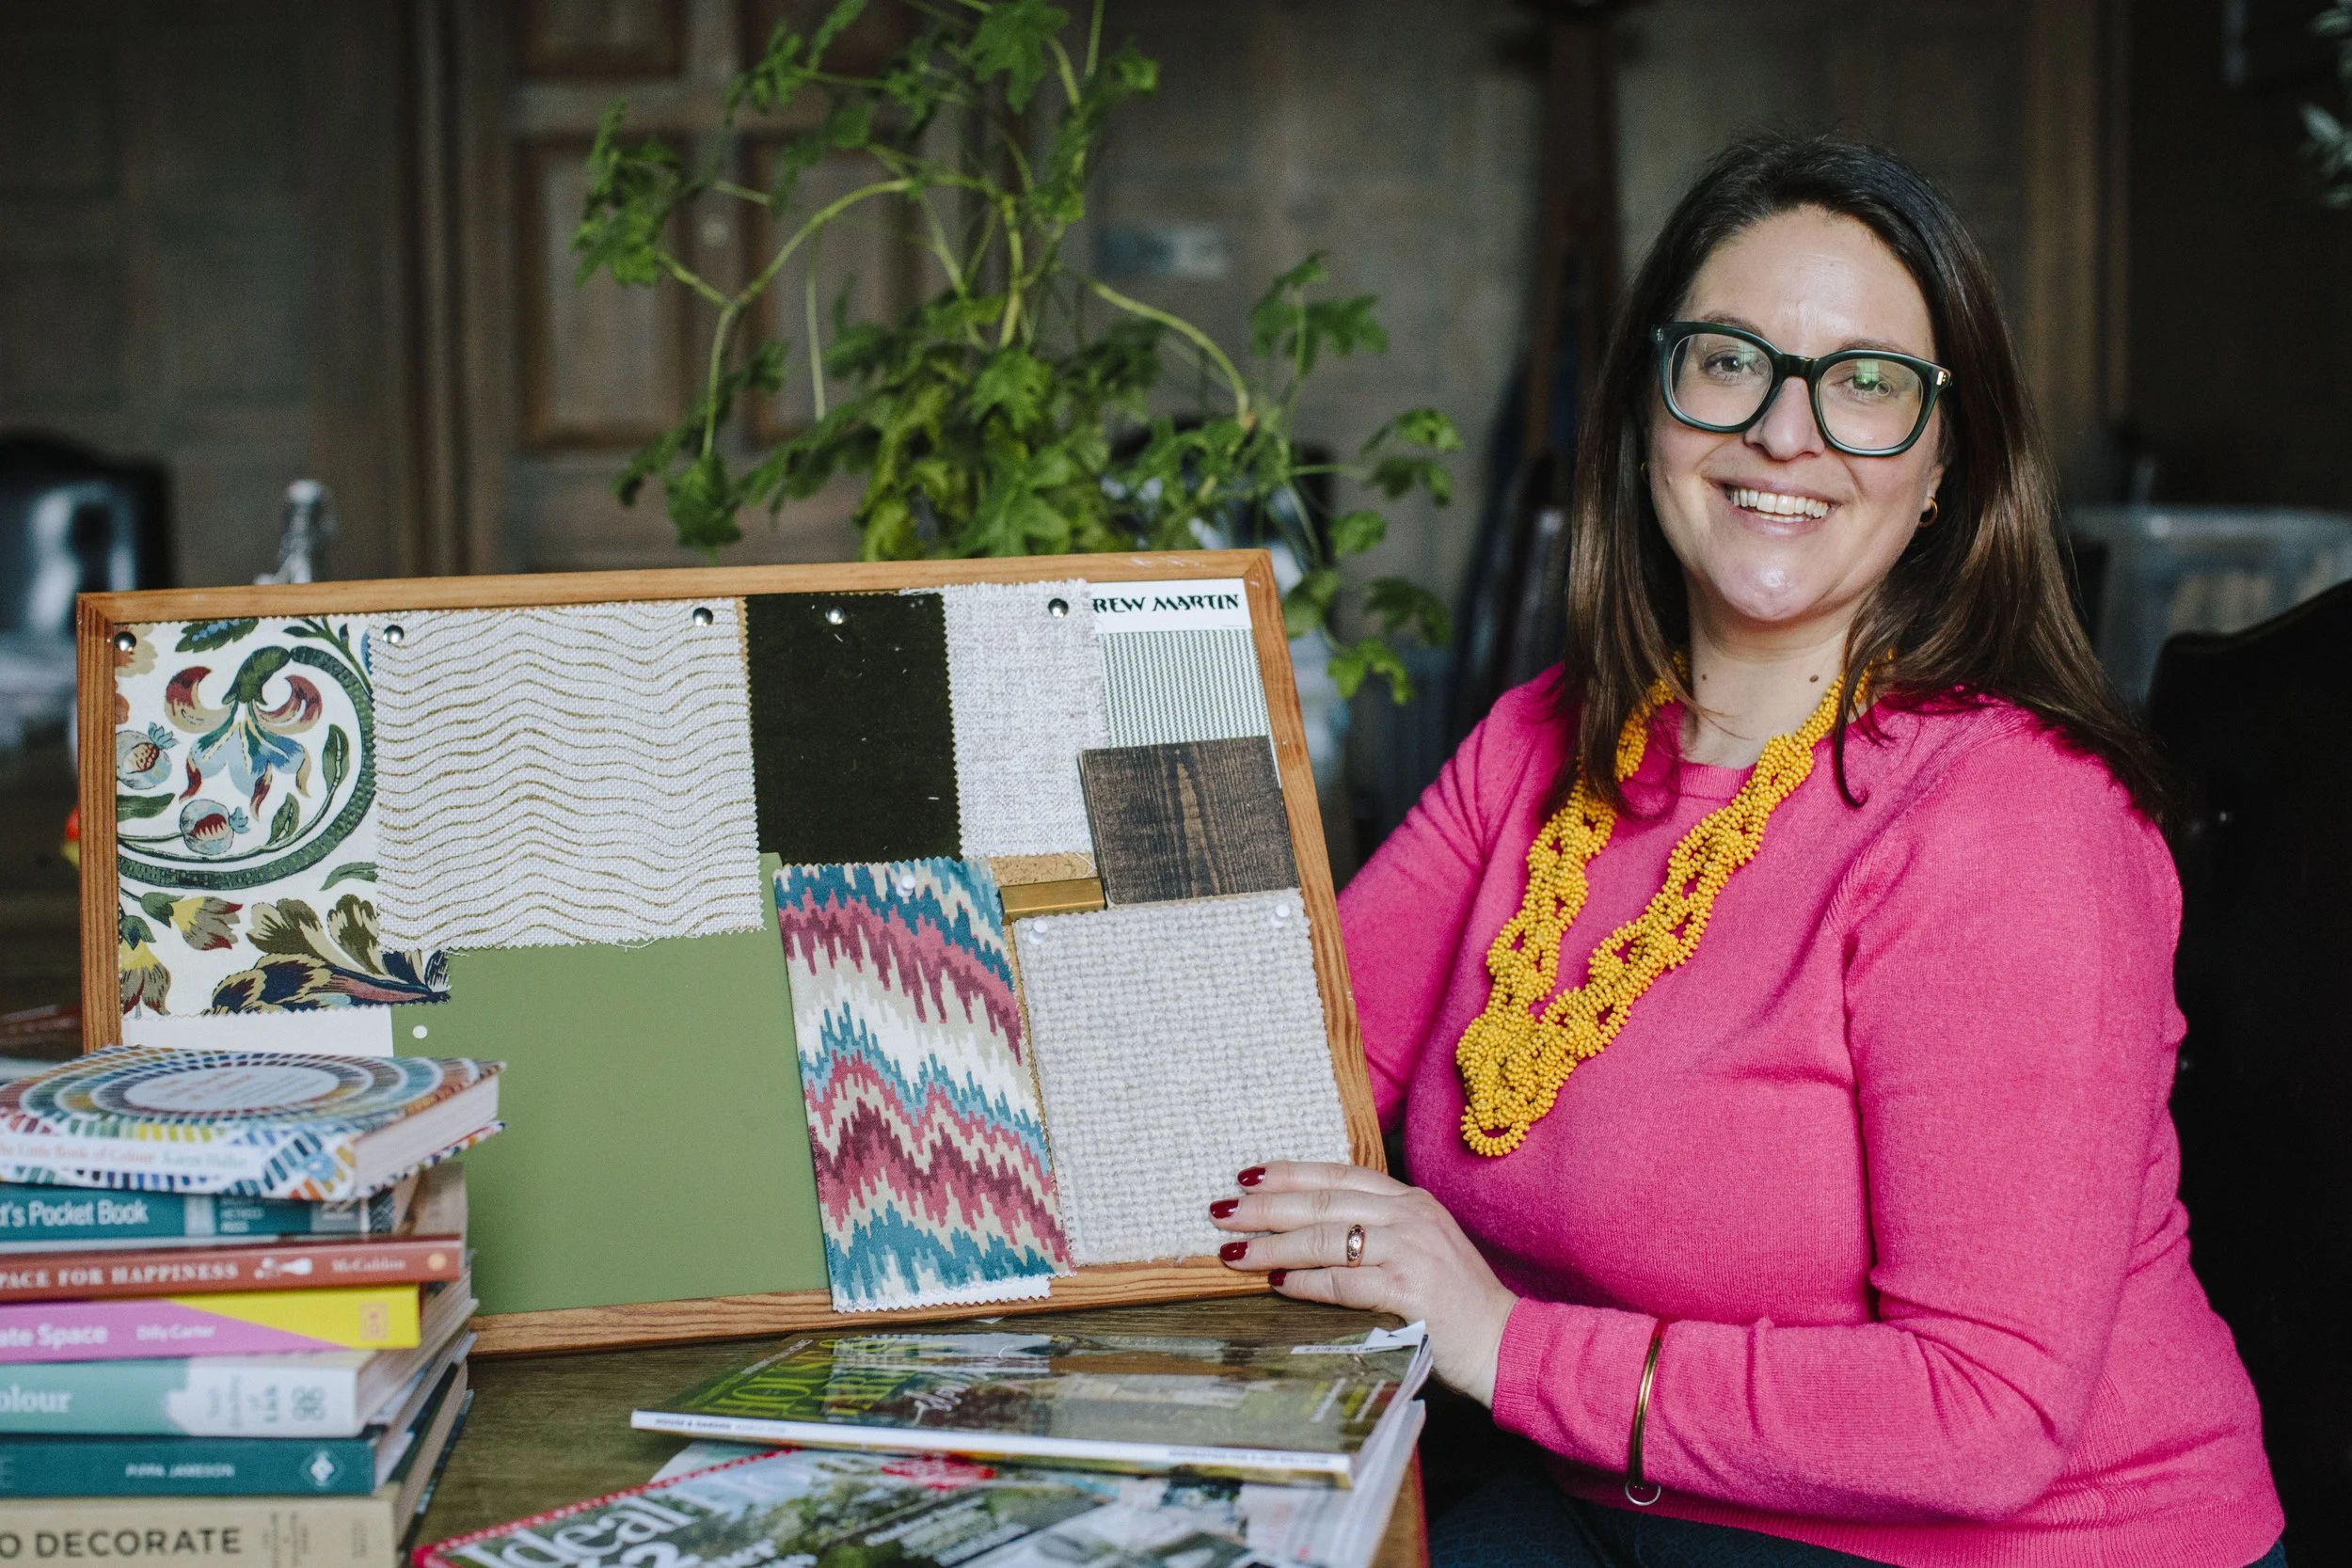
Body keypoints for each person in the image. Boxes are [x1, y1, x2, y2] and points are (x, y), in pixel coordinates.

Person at [1206, 135, 2287, 1568]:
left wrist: (1505, 1341)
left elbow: (1987, 1413)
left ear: (1947, 459)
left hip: (2001, 1544)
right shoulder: (1540, 740)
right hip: (1612, 1491)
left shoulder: (2018, 822)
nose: (1789, 434)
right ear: (1651, 399)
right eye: (1731, 362)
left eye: (1866, 385)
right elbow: (1276, 1081)